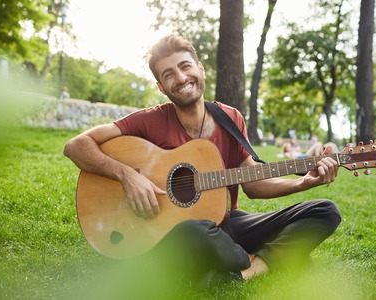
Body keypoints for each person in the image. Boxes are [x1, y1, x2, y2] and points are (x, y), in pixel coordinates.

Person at [63, 34, 341, 290]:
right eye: (169, 74)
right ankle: (268, 257)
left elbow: (253, 185)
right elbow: (76, 145)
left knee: (325, 211)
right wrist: (127, 176)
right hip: (173, 236)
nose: (181, 78)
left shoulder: (230, 119)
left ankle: (248, 268)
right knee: (192, 229)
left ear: (200, 68)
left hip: (224, 225)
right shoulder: (150, 121)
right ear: (161, 87)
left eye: (185, 67)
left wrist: (304, 182)